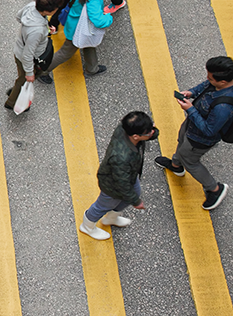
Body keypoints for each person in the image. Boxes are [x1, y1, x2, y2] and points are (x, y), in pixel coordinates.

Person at [155, 56, 233, 210]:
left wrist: (190, 109)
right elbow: (206, 85)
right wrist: (191, 92)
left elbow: (209, 131)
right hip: (192, 125)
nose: (207, 79)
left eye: (211, 77)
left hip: (199, 139)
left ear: (223, 82)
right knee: (181, 141)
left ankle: (214, 189)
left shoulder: (223, 107)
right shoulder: (220, 84)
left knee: (190, 161)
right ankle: (176, 165)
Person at [80, 112, 158, 240]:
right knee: (103, 205)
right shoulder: (121, 158)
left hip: (128, 176)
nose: (151, 133)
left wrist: (152, 131)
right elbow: (122, 184)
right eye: (148, 132)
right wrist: (136, 202)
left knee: (133, 193)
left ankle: (111, 218)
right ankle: (87, 226)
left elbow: (151, 135)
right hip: (112, 185)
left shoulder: (126, 128)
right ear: (136, 136)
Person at [37, 0, 112, 83]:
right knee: (65, 52)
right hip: (80, 28)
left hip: (75, 22)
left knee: (89, 44)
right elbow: (98, 21)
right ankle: (41, 70)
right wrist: (108, 18)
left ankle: (92, 68)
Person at [3, 0, 64, 110]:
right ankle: (11, 102)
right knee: (23, 79)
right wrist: (30, 73)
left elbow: (18, 16)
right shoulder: (36, 31)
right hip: (28, 57)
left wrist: (46, 27)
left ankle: (15, 90)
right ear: (47, 10)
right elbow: (28, 54)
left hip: (20, 50)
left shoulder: (31, 6)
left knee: (22, 77)